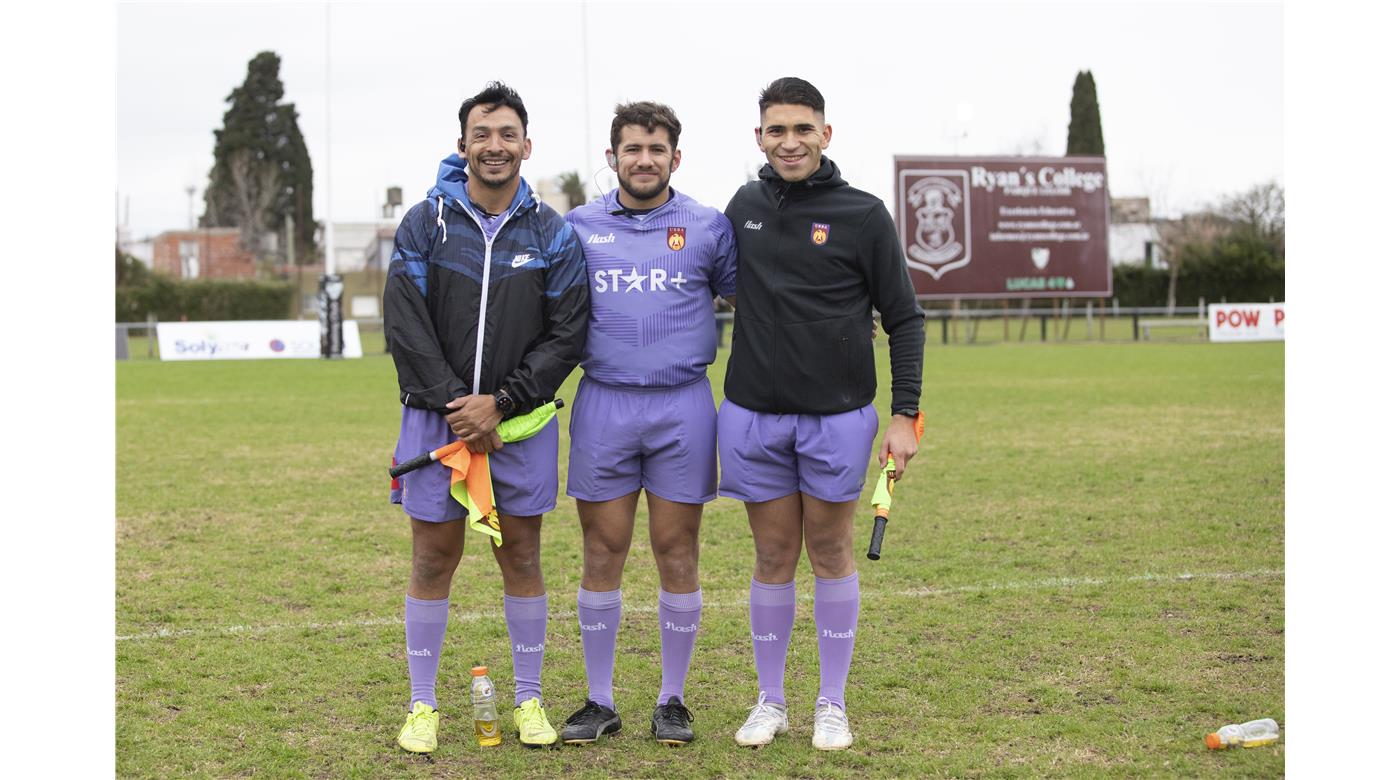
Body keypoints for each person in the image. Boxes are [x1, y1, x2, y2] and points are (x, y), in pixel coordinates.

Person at [719, 77, 925, 751]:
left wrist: (904, 415)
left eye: (802, 128)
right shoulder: (742, 206)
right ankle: (771, 700)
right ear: (759, 138)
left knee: (830, 550)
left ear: (825, 134)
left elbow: (904, 317)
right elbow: (713, 283)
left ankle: (831, 703)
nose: (789, 142)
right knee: (773, 553)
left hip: (837, 419)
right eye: (776, 130)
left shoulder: (863, 214)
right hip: (753, 414)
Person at [383, 82, 589, 753]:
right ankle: (421, 706)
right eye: (482, 134)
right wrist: (458, 406)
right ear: (463, 144)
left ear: (526, 146)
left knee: (521, 554)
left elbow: (567, 335)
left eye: (507, 135)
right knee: (432, 557)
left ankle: (529, 701)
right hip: (436, 423)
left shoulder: (553, 234)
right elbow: (404, 323)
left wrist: (501, 402)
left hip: (517, 426)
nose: (494, 146)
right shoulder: (426, 223)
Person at [557, 101, 737, 747]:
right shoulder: (577, 227)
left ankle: (673, 699)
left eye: (656, 149)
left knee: (676, 550)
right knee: (603, 550)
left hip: (682, 404)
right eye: (632, 148)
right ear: (613, 158)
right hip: (604, 402)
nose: (644, 159)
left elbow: (761, 301)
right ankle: (599, 698)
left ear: (675, 159)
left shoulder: (708, 226)